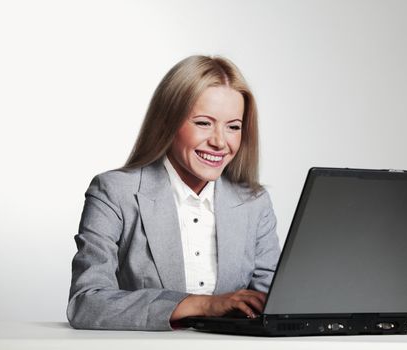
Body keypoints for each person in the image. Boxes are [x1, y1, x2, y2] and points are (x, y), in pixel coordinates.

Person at [67, 55, 281, 331]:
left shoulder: (254, 202)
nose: (220, 142)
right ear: (168, 122)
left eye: (233, 127)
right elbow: (86, 303)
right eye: (204, 123)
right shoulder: (115, 192)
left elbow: (274, 306)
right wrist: (202, 304)